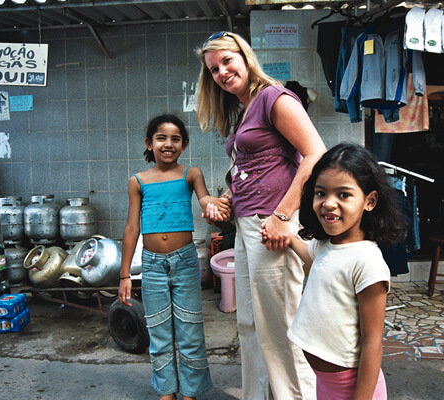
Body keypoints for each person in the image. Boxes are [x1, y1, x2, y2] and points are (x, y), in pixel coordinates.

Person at [196, 31, 326, 399]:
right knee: (251, 324)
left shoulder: (274, 97)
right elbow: (254, 168)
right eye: (214, 69)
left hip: (273, 226)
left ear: (245, 57)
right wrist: (225, 198)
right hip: (247, 224)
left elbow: (316, 154)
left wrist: (283, 217)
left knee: (282, 327)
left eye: (227, 61)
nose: (222, 72)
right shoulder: (244, 110)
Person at [275, 143, 408, 399]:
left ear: (369, 201)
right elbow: (317, 262)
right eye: (321, 193)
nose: (329, 204)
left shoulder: (367, 262)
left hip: (352, 388)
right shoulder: (326, 244)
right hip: (325, 383)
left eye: (343, 195)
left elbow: (372, 344)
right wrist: (290, 238)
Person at [118, 114, 230, 400]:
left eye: (175, 139)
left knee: (190, 331)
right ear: (149, 143)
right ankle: (167, 393)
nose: (168, 144)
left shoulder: (191, 173)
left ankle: (190, 393)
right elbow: (132, 228)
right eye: (161, 138)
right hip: (153, 266)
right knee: (159, 333)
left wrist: (212, 204)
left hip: (185, 263)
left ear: (184, 145)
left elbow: (204, 198)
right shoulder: (137, 181)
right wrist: (124, 275)